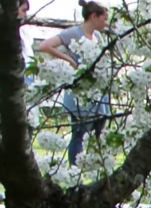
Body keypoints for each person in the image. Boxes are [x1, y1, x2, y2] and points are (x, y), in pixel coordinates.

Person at [38, 0, 110, 166]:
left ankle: (96, 167)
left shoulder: (98, 37)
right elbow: (45, 45)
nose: (106, 23)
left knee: (98, 133)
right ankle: (75, 170)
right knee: (80, 134)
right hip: (80, 92)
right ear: (93, 16)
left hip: (97, 91)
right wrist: (70, 60)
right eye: (104, 19)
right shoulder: (73, 33)